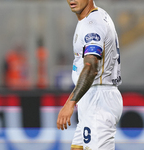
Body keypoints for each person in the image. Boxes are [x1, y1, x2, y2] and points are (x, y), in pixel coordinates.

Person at [57, 0, 123, 149]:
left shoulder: (93, 24)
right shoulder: (92, 18)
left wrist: (70, 102)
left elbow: (91, 66)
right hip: (92, 97)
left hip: (99, 100)